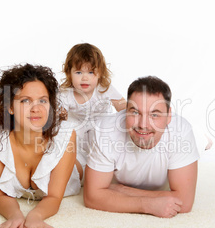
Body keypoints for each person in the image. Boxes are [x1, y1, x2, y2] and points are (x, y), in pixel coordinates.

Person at [0, 63, 81, 228]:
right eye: (25, 100)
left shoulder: (66, 135)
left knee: (87, 170)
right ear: (10, 107)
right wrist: (15, 215)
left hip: (74, 167)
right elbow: (0, 194)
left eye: (43, 100)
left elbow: (53, 197)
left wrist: (35, 216)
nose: (36, 108)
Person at [83, 76, 200, 218]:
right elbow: (91, 197)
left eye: (154, 115)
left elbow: (185, 202)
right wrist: (147, 204)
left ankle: (203, 140)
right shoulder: (105, 129)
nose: (143, 124)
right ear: (125, 111)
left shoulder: (181, 130)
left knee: (198, 141)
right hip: (90, 143)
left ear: (169, 116)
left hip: (179, 142)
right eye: (135, 112)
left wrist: (122, 190)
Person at [59, 43, 126, 170]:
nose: (84, 78)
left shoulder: (104, 89)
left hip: (101, 123)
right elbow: (60, 116)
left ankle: (114, 163)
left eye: (91, 72)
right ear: (69, 73)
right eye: (78, 72)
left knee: (108, 136)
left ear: (100, 73)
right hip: (78, 126)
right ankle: (75, 166)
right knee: (66, 137)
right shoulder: (66, 93)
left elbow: (123, 108)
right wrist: (60, 115)